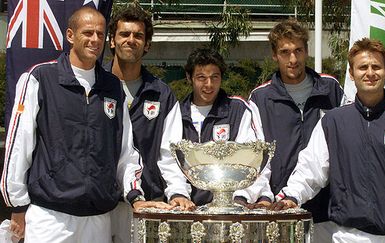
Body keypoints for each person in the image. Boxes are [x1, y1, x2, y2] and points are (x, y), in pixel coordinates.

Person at [0, 7, 171, 243]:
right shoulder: (39, 78)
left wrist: (134, 194)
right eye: (88, 33)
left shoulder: (112, 87)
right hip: (51, 216)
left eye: (100, 34)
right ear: (70, 35)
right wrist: (17, 205)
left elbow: (125, 152)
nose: (95, 40)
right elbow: (19, 146)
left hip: (98, 217)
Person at [272, 38, 385, 243]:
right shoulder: (333, 121)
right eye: (363, 67)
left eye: (377, 67)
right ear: (351, 73)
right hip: (348, 235)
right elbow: (311, 169)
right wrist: (292, 196)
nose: (370, 73)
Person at [234, 18, 346, 240]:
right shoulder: (260, 98)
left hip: (328, 211)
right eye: (285, 52)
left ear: (306, 52)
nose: (293, 59)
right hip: (279, 209)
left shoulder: (331, 89)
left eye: (298, 51)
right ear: (275, 55)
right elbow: (255, 156)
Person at [106, 5, 192, 242]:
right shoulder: (95, 87)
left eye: (138, 35)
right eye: (124, 34)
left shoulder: (162, 94)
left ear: (147, 45)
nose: (131, 40)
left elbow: (170, 153)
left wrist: (177, 191)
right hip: (101, 203)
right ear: (112, 41)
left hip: (148, 203)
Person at [180, 47, 272, 206]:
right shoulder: (178, 113)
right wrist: (179, 195)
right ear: (189, 78)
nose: (209, 85)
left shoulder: (238, 110)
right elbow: (169, 162)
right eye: (201, 77)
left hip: (232, 207)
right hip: (190, 208)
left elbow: (255, 160)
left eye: (214, 77)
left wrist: (240, 198)